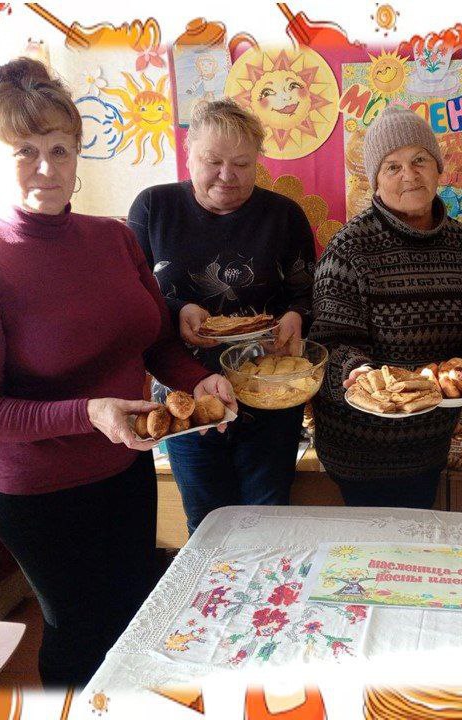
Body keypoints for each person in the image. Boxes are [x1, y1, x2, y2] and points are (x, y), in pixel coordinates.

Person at [0, 59, 236, 686]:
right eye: (25, 151)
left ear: (77, 155)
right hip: (41, 491)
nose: (46, 168)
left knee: (135, 617)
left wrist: (195, 380)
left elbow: (154, 342)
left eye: (59, 149)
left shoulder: (113, 238)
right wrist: (89, 412)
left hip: (125, 469)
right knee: (79, 632)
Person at [127, 99, 316, 535]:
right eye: (213, 161)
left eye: (242, 164)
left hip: (268, 393)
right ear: (189, 152)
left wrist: (295, 316)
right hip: (185, 397)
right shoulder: (153, 208)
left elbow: (307, 292)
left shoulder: (284, 215)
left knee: (269, 518)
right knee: (207, 522)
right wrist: (177, 310)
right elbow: (131, 298)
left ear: (258, 162)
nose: (227, 175)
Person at [309, 106, 462, 507]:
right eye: (392, 166)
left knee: (418, 536)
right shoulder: (349, 249)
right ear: (375, 182)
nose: (409, 175)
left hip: (432, 440)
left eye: (419, 160)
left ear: (438, 169)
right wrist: (358, 374)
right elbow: (328, 343)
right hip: (360, 448)